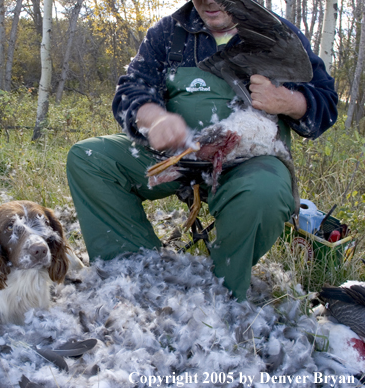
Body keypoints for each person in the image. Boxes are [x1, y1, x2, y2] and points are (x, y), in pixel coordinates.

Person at [66, 0, 338, 300]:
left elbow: (326, 104)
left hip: (248, 164)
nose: (209, 1)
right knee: (89, 158)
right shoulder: (169, 32)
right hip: (175, 155)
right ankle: (135, 275)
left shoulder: (278, 33)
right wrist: (154, 119)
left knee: (265, 191)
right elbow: (131, 90)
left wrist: (287, 101)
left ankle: (222, 294)